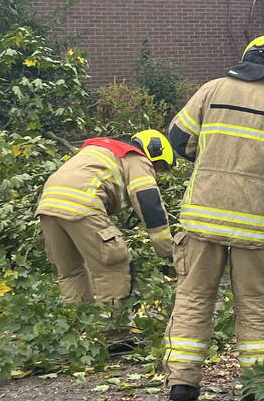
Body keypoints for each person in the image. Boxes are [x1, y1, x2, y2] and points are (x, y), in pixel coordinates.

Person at [162, 34, 264, 401]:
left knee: (193, 298)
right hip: (254, 227)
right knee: (253, 304)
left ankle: (182, 383)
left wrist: (210, 165)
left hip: (201, 220)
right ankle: (257, 384)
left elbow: (177, 138)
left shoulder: (211, 90)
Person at [36, 129, 175, 305]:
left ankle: (76, 325)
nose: (157, 172)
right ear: (155, 151)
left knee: (71, 272)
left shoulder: (101, 150)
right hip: (82, 203)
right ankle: (114, 328)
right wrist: (167, 250)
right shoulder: (136, 158)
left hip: (48, 205)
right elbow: (148, 203)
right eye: (159, 167)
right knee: (113, 267)